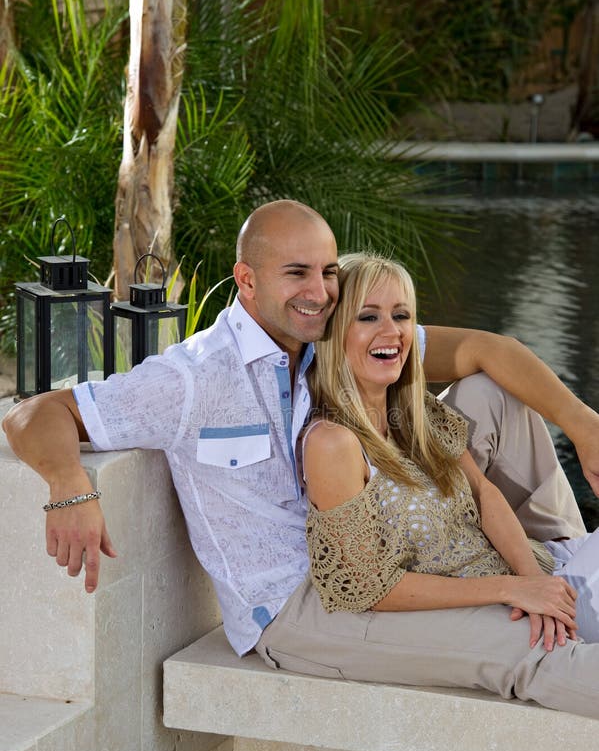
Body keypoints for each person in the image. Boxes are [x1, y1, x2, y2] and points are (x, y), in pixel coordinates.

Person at [3, 200, 599, 718]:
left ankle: (561, 559)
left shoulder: (334, 337)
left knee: (493, 391)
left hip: (367, 548)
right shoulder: (193, 378)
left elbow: (484, 349)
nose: (318, 291)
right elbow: (31, 414)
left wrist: (586, 425)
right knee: (525, 649)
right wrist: (69, 484)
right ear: (246, 280)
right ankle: (561, 595)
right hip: (298, 608)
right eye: (296, 273)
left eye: (328, 272)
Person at [302, 252, 599, 651]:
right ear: (333, 331)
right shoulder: (332, 443)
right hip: (500, 610)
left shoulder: (414, 413)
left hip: (547, 570)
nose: (392, 332)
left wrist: (536, 583)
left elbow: (484, 495)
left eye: (402, 316)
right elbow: (367, 585)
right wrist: (512, 590)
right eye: (368, 317)